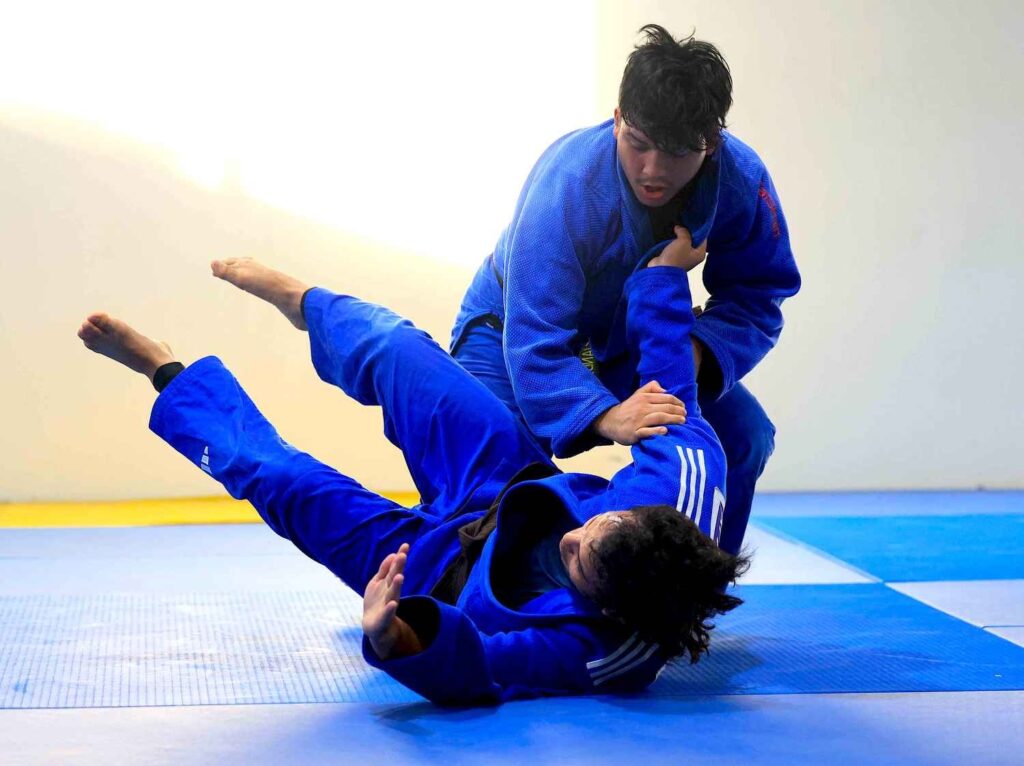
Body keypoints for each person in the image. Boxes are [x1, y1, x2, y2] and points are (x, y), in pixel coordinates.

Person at [77, 246, 748, 706]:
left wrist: (392, 635)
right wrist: (663, 278)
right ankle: (303, 302)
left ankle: (163, 370)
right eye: (593, 528)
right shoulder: (679, 487)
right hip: (505, 481)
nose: (572, 539)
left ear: (609, 608)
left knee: (278, 479)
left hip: (426, 572)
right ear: (634, 512)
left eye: (578, 564)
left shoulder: (601, 652)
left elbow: (483, 667)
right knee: (401, 351)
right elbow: (671, 385)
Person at [452, 24, 801, 555]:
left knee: (745, 437)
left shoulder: (740, 180)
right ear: (617, 119)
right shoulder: (569, 181)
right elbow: (532, 338)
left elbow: (758, 295)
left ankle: (693, 587)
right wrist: (609, 417)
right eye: (637, 144)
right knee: (495, 469)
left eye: (676, 152)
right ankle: (464, 589)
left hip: (627, 341)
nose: (652, 170)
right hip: (509, 334)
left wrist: (697, 351)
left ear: (710, 143)